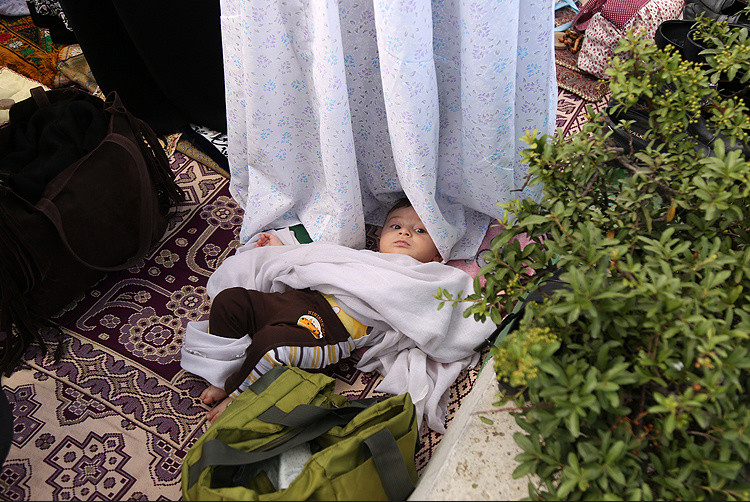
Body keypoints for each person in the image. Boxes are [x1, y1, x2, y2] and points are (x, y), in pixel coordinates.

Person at [187, 198, 442, 422]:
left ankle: (237, 393)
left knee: (274, 345)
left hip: (329, 332)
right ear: (379, 239)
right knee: (231, 301)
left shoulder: (424, 280)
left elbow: (439, 313)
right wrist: (281, 252)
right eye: (395, 226)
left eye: (419, 230)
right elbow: (318, 262)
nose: (404, 233)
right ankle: (224, 372)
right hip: (299, 301)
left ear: (437, 257)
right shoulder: (362, 257)